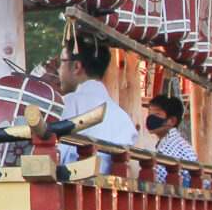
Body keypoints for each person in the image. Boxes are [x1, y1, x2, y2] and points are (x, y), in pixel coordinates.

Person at [51, 38, 137, 170]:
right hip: (110, 188)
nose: (58, 70)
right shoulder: (124, 118)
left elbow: (53, 157)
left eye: (61, 62)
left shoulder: (68, 103)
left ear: (76, 67)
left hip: (70, 187)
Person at [136, 91, 197, 182]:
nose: (150, 118)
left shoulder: (167, 148)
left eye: (156, 114)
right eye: (149, 113)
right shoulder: (180, 143)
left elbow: (157, 180)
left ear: (171, 121)